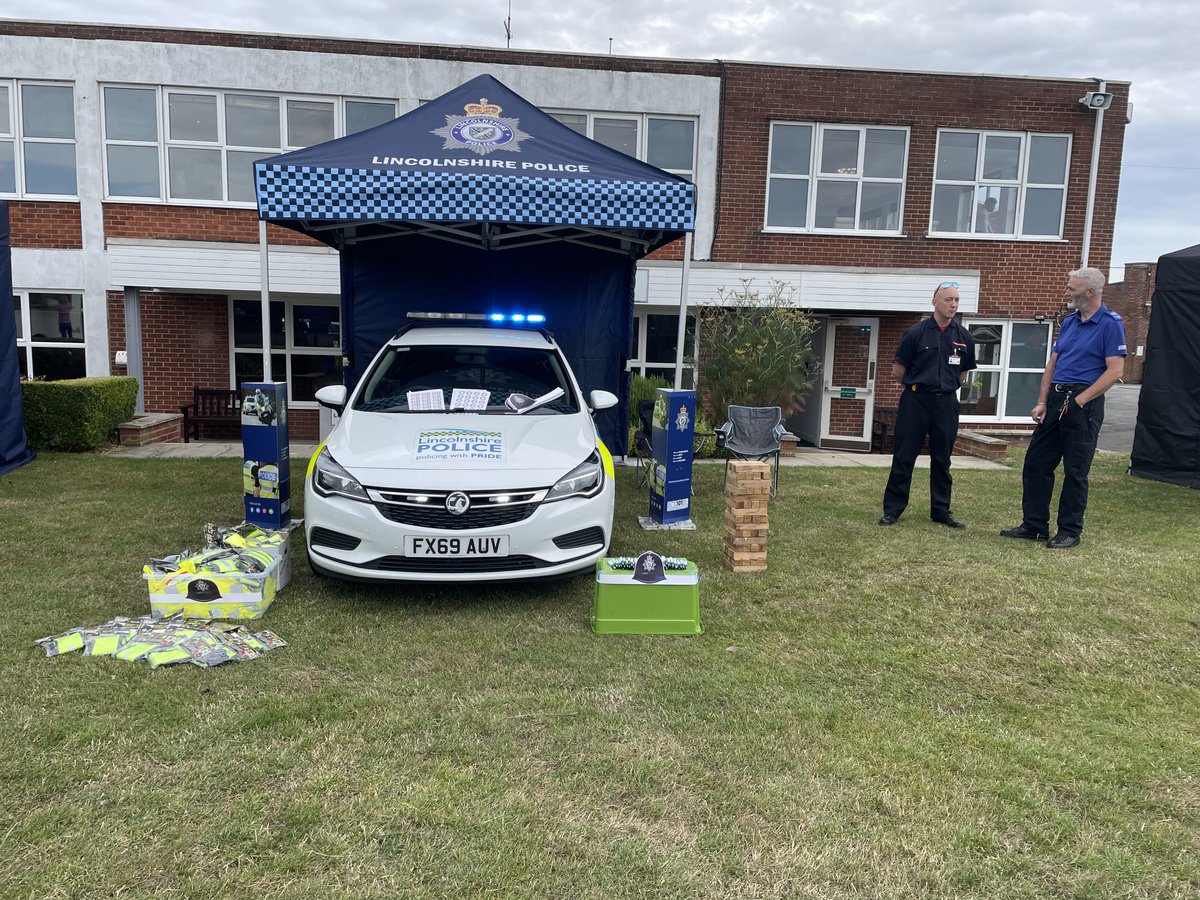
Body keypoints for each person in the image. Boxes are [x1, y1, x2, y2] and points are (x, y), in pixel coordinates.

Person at [1001, 267, 1127, 549]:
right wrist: (1043, 401)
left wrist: (1082, 400)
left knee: (1075, 470)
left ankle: (1069, 531)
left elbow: (1115, 370)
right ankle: (1034, 526)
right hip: (1057, 399)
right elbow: (1052, 365)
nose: (1066, 292)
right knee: (1036, 463)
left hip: (1084, 402)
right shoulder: (1070, 322)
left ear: (1090, 292)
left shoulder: (1110, 323)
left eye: (1072, 288)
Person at [880, 281, 977, 528]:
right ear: (934, 302)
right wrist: (922, 385)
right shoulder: (916, 333)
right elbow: (897, 371)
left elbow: (963, 374)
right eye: (948, 300)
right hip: (916, 401)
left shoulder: (963, 336)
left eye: (956, 300)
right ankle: (893, 509)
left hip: (946, 403)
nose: (953, 304)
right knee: (904, 456)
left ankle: (941, 510)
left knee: (942, 459)